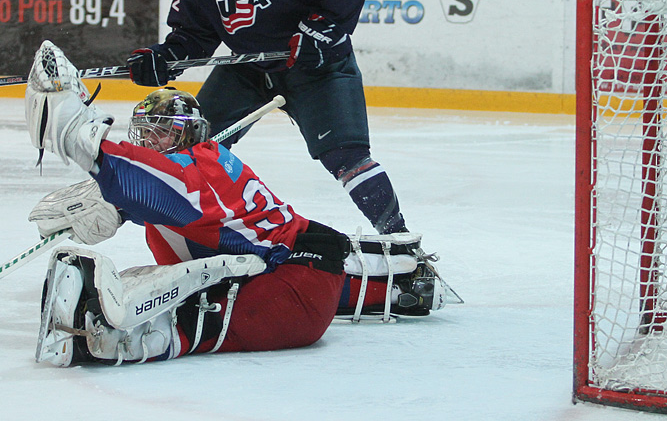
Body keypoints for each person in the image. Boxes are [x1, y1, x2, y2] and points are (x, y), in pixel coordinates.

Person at [24, 41, 445, 367]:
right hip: (306, 260)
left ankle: (115, 339)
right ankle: (394, 284)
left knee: (195, 306)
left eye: (163, 132)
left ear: (189, 134)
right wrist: (115, 207)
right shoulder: (202, 165)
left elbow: (143, 179)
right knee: (220, 264)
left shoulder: (194, 171)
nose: (151, 142)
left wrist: (81, 138)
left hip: (294, 286)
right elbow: (166, 199)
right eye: (145, 132)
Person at [126, 0, 411, 236]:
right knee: (194, 145)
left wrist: (319, 30)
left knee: (346, 156)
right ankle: (195, 236)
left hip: (319, 67)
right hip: (248, 67)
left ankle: (400, 241)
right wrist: (163, 57)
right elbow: (194, 36)